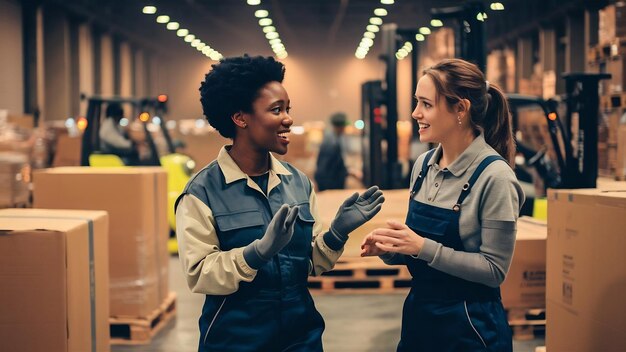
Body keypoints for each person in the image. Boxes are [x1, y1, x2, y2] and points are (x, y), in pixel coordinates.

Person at [174, 55, 384, 352]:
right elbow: (200, 274)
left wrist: (336, 234)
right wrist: (256, 254)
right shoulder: (201, 193)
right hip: (236, 340)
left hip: (301, 337)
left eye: (288, 109)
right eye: (276, 110)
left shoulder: (297, 182)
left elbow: (310, 263)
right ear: (240, 118)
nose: (288, 118)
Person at [361, 58, 524, 352]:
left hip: (471, 328)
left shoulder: (496, 178)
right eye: (416, 102)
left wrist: (422, 247)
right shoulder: (423, 165)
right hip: (420, 320)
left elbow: (494, 269)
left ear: (460, 109)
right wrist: (393, 251)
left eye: (426, 104)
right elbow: (422, 252)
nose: (415, 113)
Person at [314, 112, 349, 191]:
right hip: (330, 185)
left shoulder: (335, 139)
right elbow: (325, 167)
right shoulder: (331, 142)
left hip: (332, 183)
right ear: (340, 127)